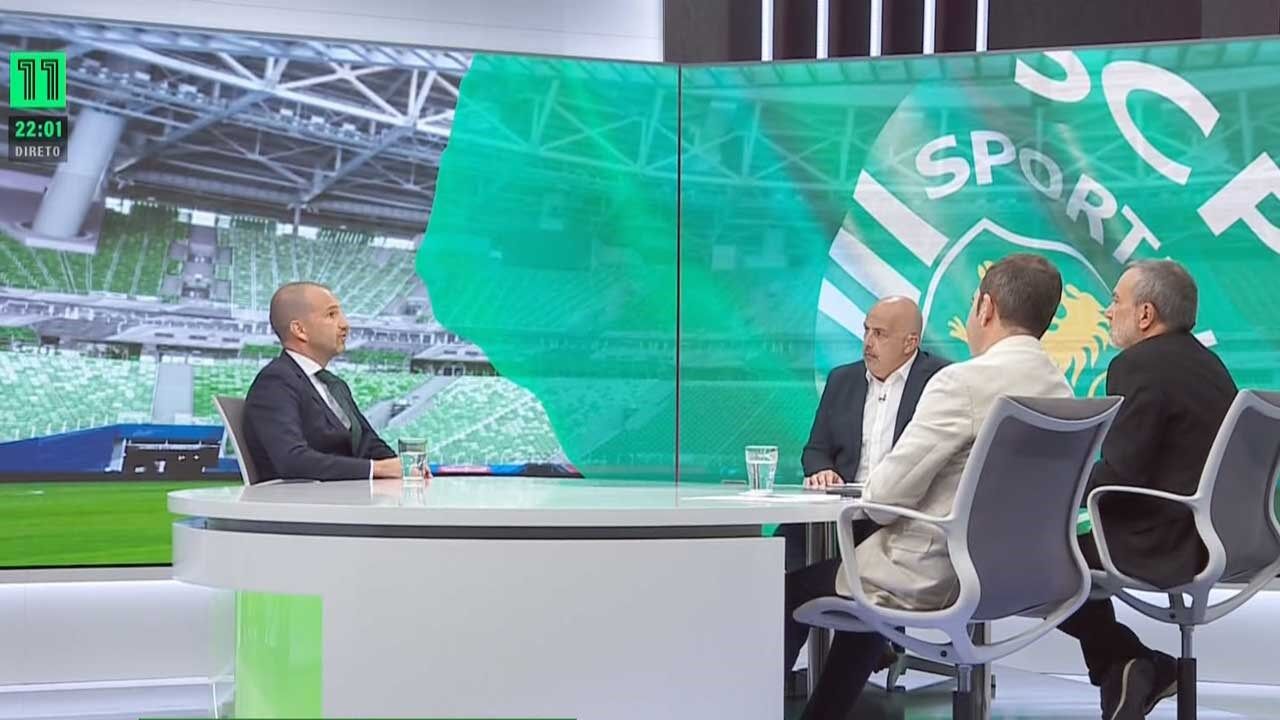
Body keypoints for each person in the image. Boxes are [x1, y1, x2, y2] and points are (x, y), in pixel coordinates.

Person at [784, 254, 1073, 720]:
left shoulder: (959, 382)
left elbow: (881, 502)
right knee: (866, 596)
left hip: (935, 572)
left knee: (790, 592)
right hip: (1021, 575)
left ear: (985, 308)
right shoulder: (1060, 389)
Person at [1056, 260, 1237, 720]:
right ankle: (1126, 669)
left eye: (1115, 300)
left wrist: (1052, 492)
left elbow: (1121, 474)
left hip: (1162, 542)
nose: (1106, 311)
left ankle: (1131, 662)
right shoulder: (1210, 365)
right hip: (1218, 537)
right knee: (1058, 553)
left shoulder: (1137, 364)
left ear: (1145, 314)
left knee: (1033, 562)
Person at [777, 297, 948, 569]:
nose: (868, 342)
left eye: (879, 334)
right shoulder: (842, 379)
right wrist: (822, 470)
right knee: (782, 552)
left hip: (902, 518)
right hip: (843, 514)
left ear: (910, 343)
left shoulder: (941, 381)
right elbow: (815, 451)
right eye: (866, 330)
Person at [242, 281, 407, 482]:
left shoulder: (335, 385)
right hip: (305, 499)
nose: (345, 324)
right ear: (299, 330)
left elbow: (368, 442)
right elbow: (292, 460)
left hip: (346, 494)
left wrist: (405, 468)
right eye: (331, 315)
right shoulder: (275, 382)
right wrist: (377, 469)